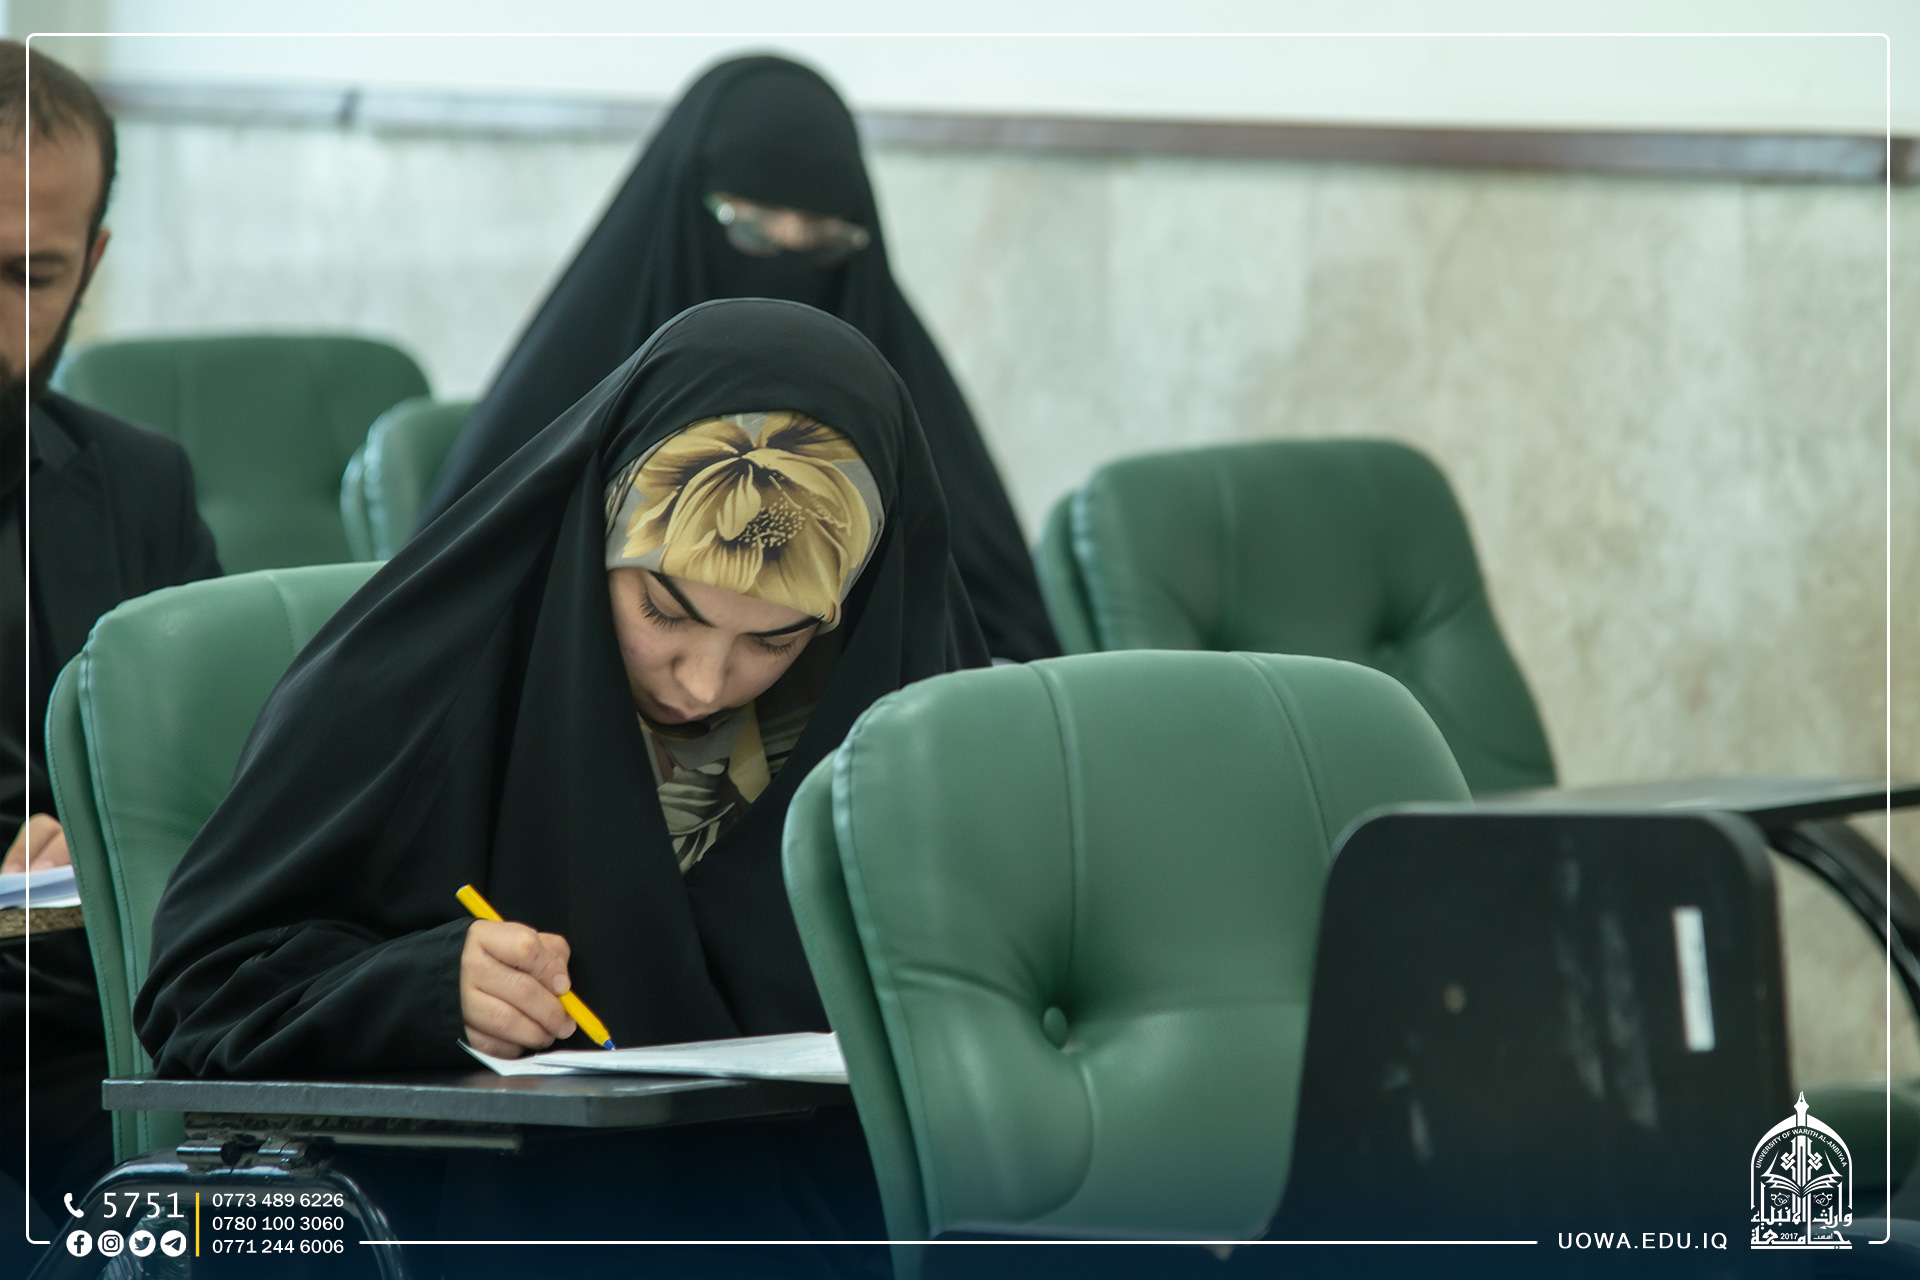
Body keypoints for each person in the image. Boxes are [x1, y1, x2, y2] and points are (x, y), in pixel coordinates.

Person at [135, 298, 985, 1269]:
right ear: (597, 527)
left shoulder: (901, 709)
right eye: (664, 611)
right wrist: (426, 986)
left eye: (775, 639)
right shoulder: (418, 682)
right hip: (508, 1218)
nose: (704, 682)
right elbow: (200, 992)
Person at [420, 54, 1060, 663]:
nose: (787, 264)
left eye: (821, 243)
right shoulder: (580, 370)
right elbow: (465, 604)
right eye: (753, 231)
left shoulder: (892, 380)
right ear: (685, 211)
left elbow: (998, 627)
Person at [0, 40, 220, 1261]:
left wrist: (113, 838)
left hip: (113, 1033)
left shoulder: (141, 484)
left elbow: (239, 781)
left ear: (91, 262)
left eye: (27, 276)